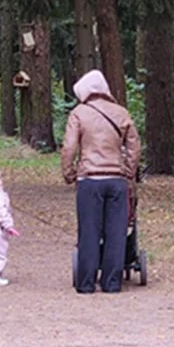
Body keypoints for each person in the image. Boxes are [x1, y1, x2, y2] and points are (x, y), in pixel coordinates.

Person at [61, 70, 141, 294]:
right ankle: (112, 283)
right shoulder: (121, 113)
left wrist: (69, 174)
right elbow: (134, 146)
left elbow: (69, 147)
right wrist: (127, 172)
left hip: (90, 180)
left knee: (89, 231)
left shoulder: (79, 113)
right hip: (116, 181)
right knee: (116, 232)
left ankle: (86, 283)